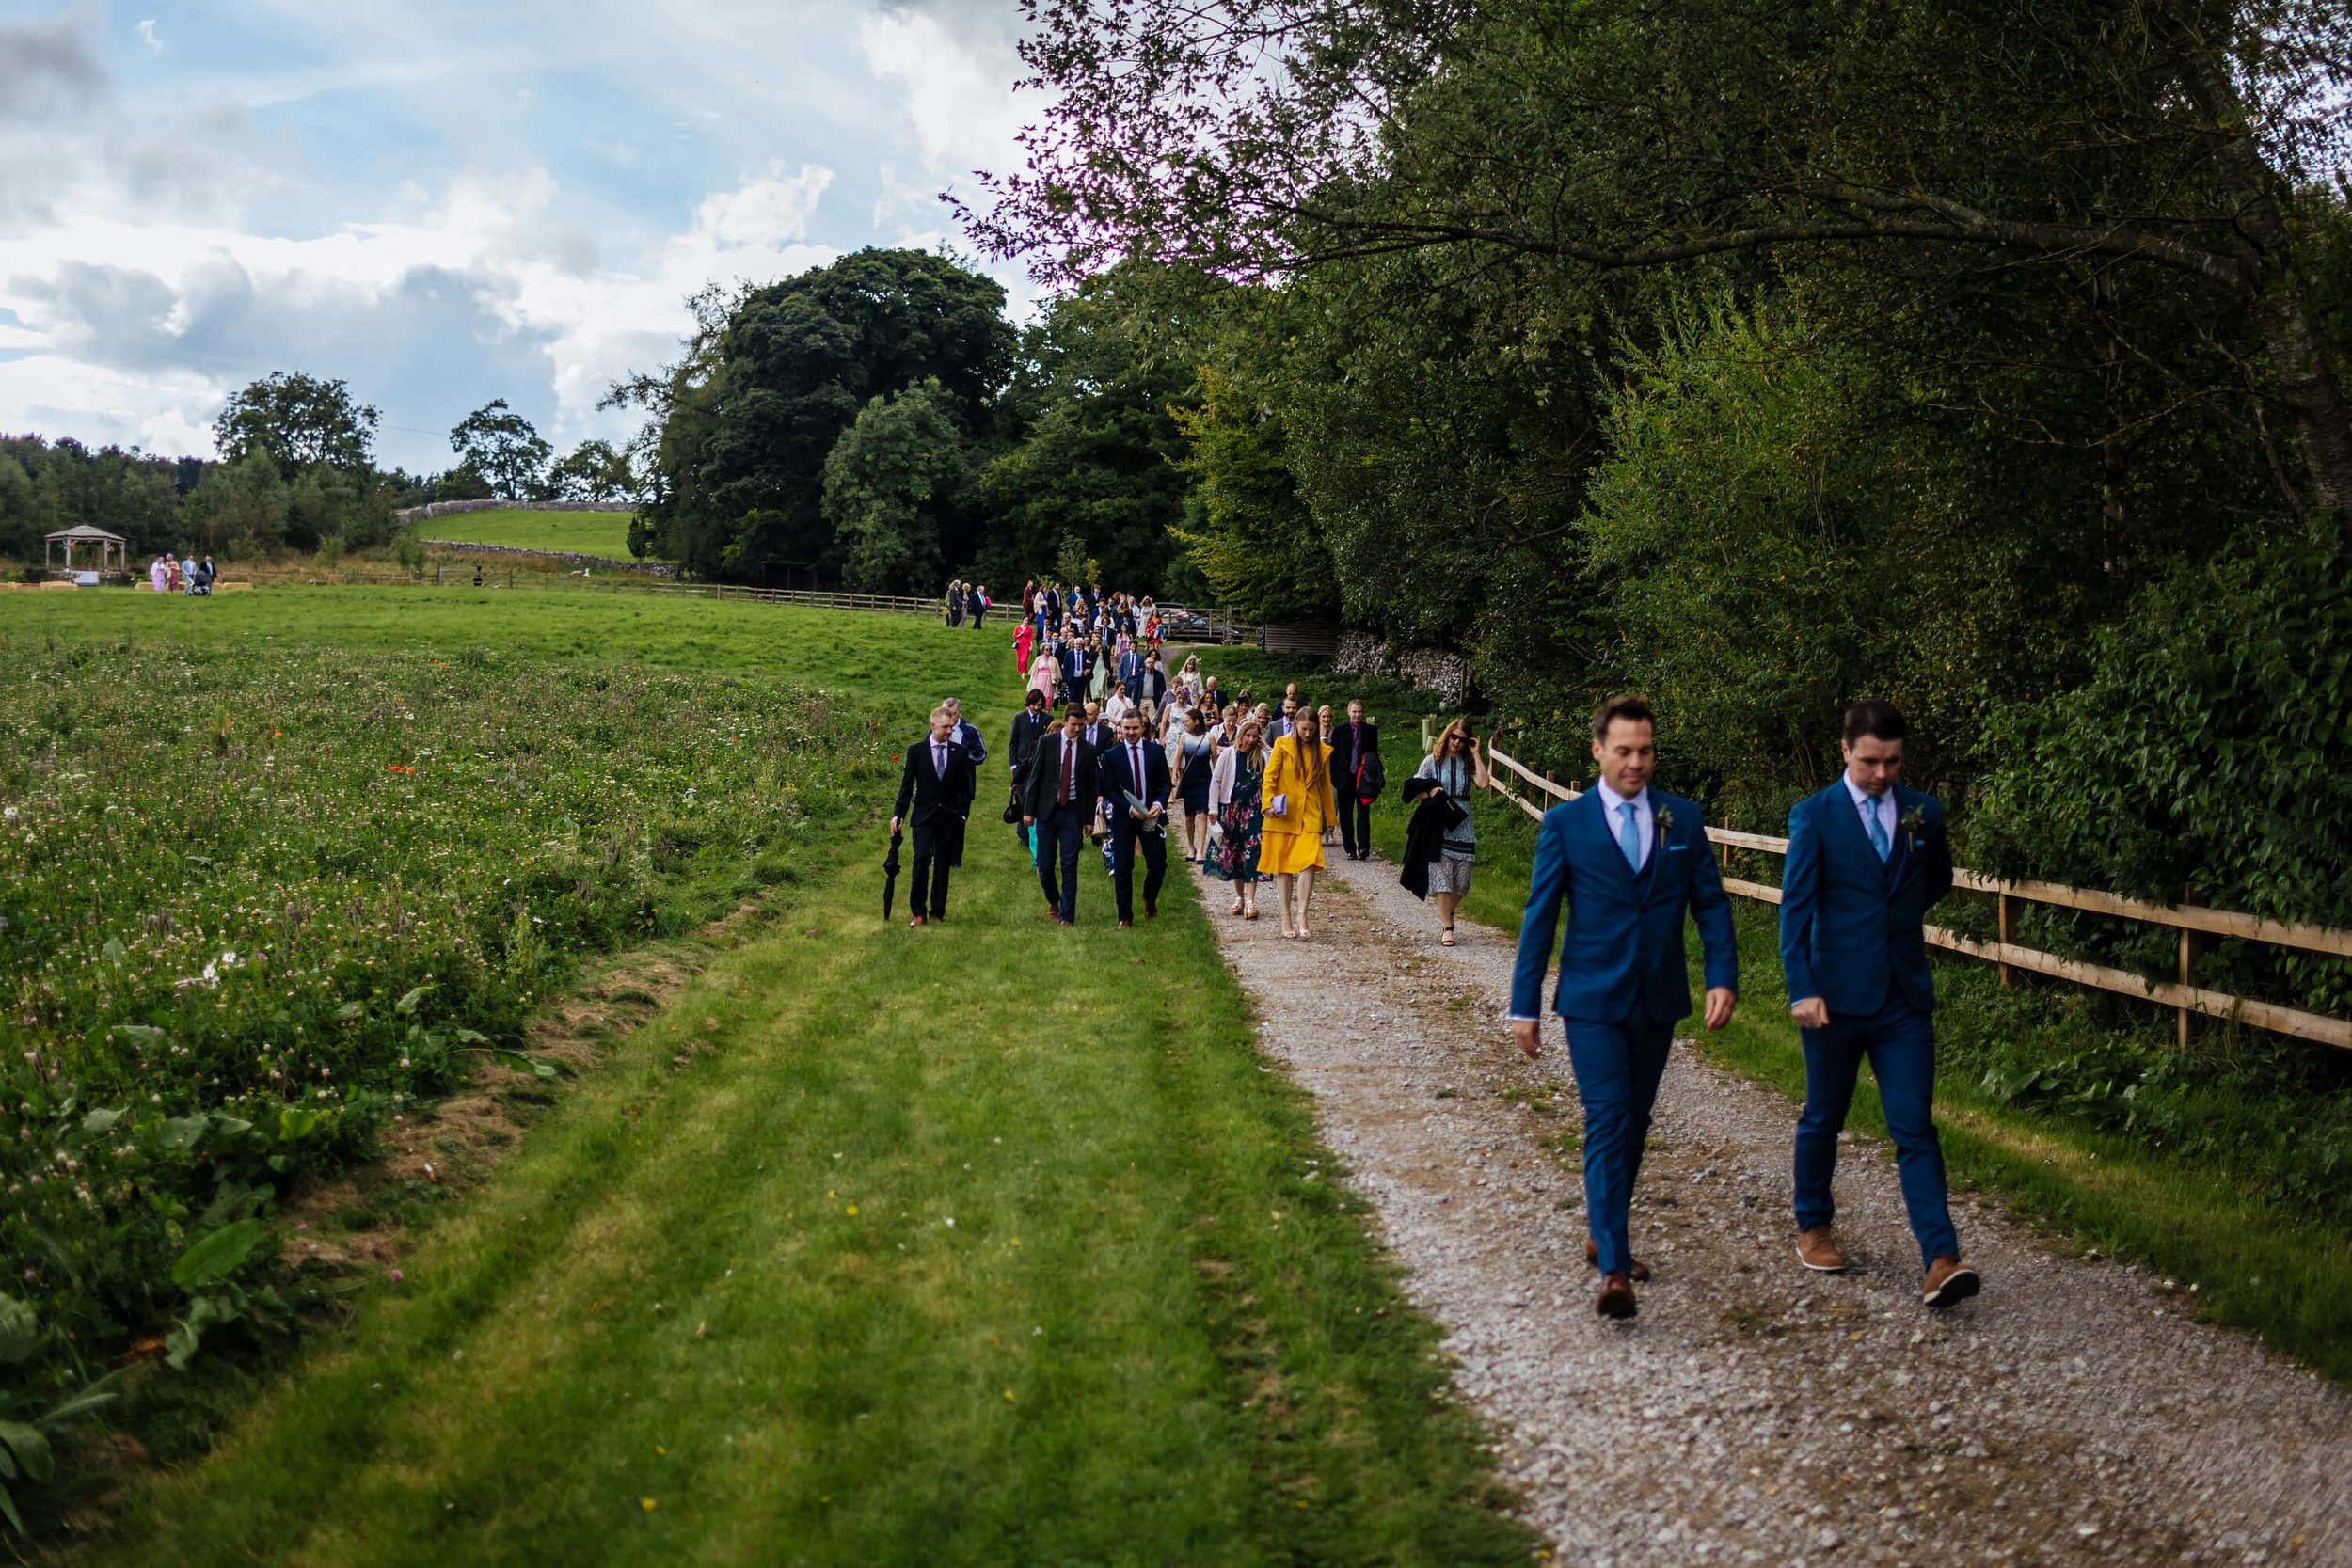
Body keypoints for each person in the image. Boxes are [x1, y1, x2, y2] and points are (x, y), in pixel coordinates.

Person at [1507, 694, 1738, 1320]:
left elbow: (1711, 903)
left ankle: (1603, 1224)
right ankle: (1613, 1267)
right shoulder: (1567, 825)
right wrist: (1522, 1004)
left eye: (1646, 751)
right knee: (1607, 1116)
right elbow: (1540, 916)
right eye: (1624, 751)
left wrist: (1723, 975)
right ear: (1598, 751)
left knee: (1635, 1121)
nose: (1637, 763)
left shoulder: (1680, 820)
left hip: (1658, 995)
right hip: (1592, 999)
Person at [1780, 699, 1975, 1310]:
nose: (1881, 773)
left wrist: (1891, 925)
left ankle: (1940, 1258)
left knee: (1915, 1125)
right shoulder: (1814, 816)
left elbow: (1934, 879)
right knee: (1824, 1115)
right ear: (1845, 751)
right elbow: (1796, 908)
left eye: (1892, 761)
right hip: (1833, 997)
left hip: (1903, 997)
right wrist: (1801, 985)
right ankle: (1813, 1224)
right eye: (1869, 761)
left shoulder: (1925, 812)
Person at [892, 706, 977, 927]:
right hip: (924, 814)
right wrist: (898, 815)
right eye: (945, 727)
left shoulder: (959, 752)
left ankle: (938, 910)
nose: (949, 731)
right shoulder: (916, 751)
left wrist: (962, 815)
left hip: (949, 817)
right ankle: (918, 911)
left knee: (942, 864)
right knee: (920, 858)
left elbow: (964, 788)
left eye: (951, 727)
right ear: (933, 726)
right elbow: (906, 785)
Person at [1414, 719, 1492, 947]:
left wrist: (1476, 754)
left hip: (1464, 822)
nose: (1456, 742)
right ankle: (1447, 927)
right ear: (1447, 736)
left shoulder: (1468, 763)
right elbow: (1415, 788)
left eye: (1462, 739)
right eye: (1453, 737)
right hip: (1440, 823)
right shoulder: (1432, 761)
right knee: (1443, 878)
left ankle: (1446, 911)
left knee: (1463, 881)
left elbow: (1484, 783)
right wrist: (1432, 792)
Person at [1260, 705, 1336, 940]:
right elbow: (1270, 777)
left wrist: (1331, 818)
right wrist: (1267, 805)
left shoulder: (1322, 751)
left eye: (1311, 730)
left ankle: (1303, 914)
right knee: (1283, 867)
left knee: (1309, 863)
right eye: (1303, 729)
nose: (1307, 734)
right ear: (1295, 726)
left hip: (1310, 813)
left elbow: (1325, 785)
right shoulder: (1282, 746)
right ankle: (1285, 916)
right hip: (1284, 813)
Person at [1021, 704, 1098, 925]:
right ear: (1065, 722)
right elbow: (1035, 778)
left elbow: (1091, 788)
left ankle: (1067, 915)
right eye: (1073, 725)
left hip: (1071, 811)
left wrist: (1089, 819)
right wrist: (1028, 810)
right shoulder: (1047, 743)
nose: (1077, 729)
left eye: (1081, 726)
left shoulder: (1087, 750)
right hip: (1047, 810)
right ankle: (1054, 900)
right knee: (1045, 865)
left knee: (1069, 864)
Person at [1098, 711, 1171, 927]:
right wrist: (1130, 809)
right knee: (1122, 867)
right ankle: (1125, 917)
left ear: (1143, 728)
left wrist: (1159, 804)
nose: (1130, 732)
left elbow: (1166, 783)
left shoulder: (1155, 751)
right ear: (1121, 728)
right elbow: (1108, 789)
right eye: (1126, 728)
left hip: (1151, 817)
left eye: (1135, 728)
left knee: (1158, 865)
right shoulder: (1111, 756)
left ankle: (1149, 898)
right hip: (1125, 818)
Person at [1207, 716, 1271, 918]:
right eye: (1248, 736)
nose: (1251, 740)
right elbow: (1216, 781)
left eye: (1255, 736)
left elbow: (1274, 773)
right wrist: (1213, 808)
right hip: (1231, 810)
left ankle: (1251, 901)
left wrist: (1266, 748)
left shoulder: (1261, 756)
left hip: (1253, 811)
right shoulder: (1229, 755)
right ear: (1241, 736)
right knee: (1234, 854)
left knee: (1252, 853)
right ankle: (1239, 897)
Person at [1327, 699, 1384, 861]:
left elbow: (1374, 755)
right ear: (1348, 712)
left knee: (1363, 813)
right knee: (1345, 814)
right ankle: (1350, 848)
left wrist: (1374, 776)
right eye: (1354, 712)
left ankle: (1364, 847)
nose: (1357, 715)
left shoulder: (1370, 731)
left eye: (1359, 712)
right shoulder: (1339, 731)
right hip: (1344, 777)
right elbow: (1334, 755)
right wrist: (1334, 775)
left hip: (1363, 778)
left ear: (1363, 713)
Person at [1008, 689, 1053, 850]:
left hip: (1039, 765)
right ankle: (1023, 834)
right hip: (1021, 766)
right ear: (1028, 704)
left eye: (1039, 705)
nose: (1036, 708)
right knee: (1023, 799)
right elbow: (1013, 743)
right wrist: (1013, 765)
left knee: (1035, 798)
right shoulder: (1019, 718)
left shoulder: (1048, 718)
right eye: (1034, 705)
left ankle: (1036, 834)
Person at [1175, 708, 1216, 863]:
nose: (1185, 724)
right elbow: (1178, 758)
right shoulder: (1184, 738)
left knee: (1203, 814)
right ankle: (1190, 847)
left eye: (1187, 721)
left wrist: (1217, 780)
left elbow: (1214, 759)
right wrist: (1174, 775)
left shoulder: (1209, 737)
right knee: (1189, 815)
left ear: (1196, 721)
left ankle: (1200, 850)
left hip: (1205, 779)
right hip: (1189, 779)